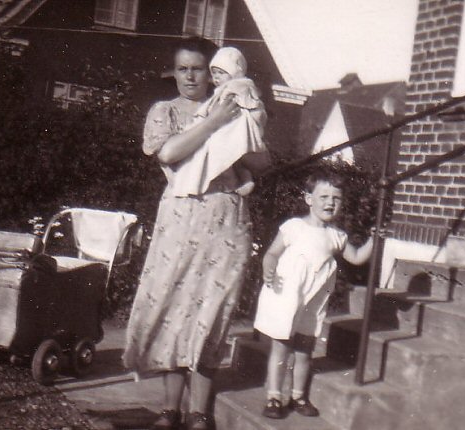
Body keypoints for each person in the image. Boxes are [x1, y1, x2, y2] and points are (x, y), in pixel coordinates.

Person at [122, 37, 267, 430]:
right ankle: (170, 410)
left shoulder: (235, 103)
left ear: (213, 72)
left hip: (226, 220)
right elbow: (168, 153)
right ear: (174, 72)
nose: (190, 76)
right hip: (180, 219)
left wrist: (237, 127)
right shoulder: (165, 110)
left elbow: (262, 160)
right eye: (182, 69)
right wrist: (215, 122)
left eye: (198, 69)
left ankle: (200, 412)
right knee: (174, 308)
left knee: (213, 311)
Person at [253, 170, 374, 419]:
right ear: (309, 199)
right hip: (288, 295)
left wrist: (375, 240)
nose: (330, 203)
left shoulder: (336, 236)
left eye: (336, 198)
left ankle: (298, 396)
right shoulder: (294, 227)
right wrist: (268, 267)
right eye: (324, 197)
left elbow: (356, 257)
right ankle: (274, 397)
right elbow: (272, 253)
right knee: (281, 348)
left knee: (304, 349)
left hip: (314, 300)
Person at [183, 45, 268, 197]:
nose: (216, 78)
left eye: (221, 73)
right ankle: (244, 179)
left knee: (220, 149)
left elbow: (229, 108)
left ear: (234, 73)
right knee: (233, 158)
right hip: (230, 126)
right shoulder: (228, 87)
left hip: (236, 127)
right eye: (214, 73)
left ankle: (232, 180)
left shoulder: (237, 87)